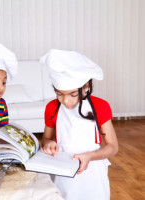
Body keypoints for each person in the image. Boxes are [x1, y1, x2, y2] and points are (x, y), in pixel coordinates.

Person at [39, 49, 118, 200]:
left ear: (86, 86)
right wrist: (49, 144)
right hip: (61, 167)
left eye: (73, 94)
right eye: (59, 93)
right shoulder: (52, 107)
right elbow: (46, 139)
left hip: (93, 170)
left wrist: (90, 156)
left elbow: (113, 147)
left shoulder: (100, 107)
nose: (65, 101)